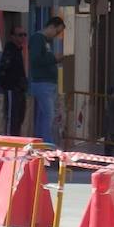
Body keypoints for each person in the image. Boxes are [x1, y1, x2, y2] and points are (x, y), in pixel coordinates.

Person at [29, 16, 66, 145]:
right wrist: (54, 59)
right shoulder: (37, 39)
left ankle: (41, 144)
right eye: (57, 31)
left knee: (43, 117)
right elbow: (35, 60)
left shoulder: (45, 41)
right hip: (42, 84)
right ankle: (48, 147)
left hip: (48, 84)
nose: (56, 35)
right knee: (48, 117)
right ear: (51, 26)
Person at [0, 25, 28, 136]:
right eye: (20, 35)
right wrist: (9, 86)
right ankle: (10, 143)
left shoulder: (19, 51)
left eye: (24, 35)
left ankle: (16, 141)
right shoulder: (10, 50)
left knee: (20, 117)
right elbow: (2, 71)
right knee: (12, 118)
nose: (23, 37)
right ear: (12, 37)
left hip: (20, 91)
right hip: (12, 90)